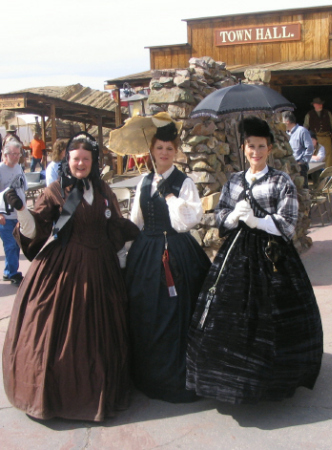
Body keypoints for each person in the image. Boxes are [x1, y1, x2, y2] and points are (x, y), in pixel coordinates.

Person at [2, 132, 140, 421]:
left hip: (102, 268)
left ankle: (100, 392)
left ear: (93, 161)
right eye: (76, 159)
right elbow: (37, 229)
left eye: (86, 159)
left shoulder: (103, 190)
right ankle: (56, 397)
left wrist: (139, 239)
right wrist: (20, 210)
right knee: (53, 329)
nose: (80, 163)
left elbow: (115, 224)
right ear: (68, 159)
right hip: (65, 266)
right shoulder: (56, 190)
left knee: (102, 333)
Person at [186, 116, 323, 404]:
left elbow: (288, 224)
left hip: (272, 257)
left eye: (261, 146)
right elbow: (221, 217)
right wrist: (233, 216)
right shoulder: (234, 181)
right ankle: (231, 378)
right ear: (244, 148)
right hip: (236, 255)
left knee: (273, 315)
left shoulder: (280, 180)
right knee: (230, 314)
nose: (256, 152)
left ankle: (273, 378)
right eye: (251, 146)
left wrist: (257, 220)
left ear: (270, 148)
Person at [124, 116, 211, 403]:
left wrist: (171, 197)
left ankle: (179, 375)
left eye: (169, 149)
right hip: (146, 255)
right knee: (147, 312)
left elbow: (187, 221)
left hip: (176, 254)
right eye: (159, 148)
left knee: (176, 315)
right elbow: (135, 220)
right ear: (151, 150)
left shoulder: (184, 182)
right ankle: (149, 374)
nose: (164, 153)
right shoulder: (144, 181)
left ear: (176, 152)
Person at [0, 141, 27, 286]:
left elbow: (23, 187)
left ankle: (8, 272)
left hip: (18, 214)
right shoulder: (1, 169)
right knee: (10, 245)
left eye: (18, 154)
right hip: (5, 216)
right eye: (14, 154)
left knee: (16, 245)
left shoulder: (18, 168)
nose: (17, 157)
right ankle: (13, 273)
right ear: (5, 154)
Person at [282, 111, 313, 189]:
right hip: (289, 166)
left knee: (302, 189)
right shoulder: (286, 133)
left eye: (282, 121)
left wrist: (302, 161)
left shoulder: (302, 131)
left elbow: (309, 147)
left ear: (287, 122)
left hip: (300, 165)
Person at [304, 97, 332, 167]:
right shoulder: (309, 114)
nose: (321, 106)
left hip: (326, 136)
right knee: (316, 153)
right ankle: (318, 170)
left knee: (328, 154)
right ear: (314, 105)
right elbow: (305, 126)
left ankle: (328, 170)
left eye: (321, 104)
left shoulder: (327, 113)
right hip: (316, 137)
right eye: (319, 104)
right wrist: (305, 136)